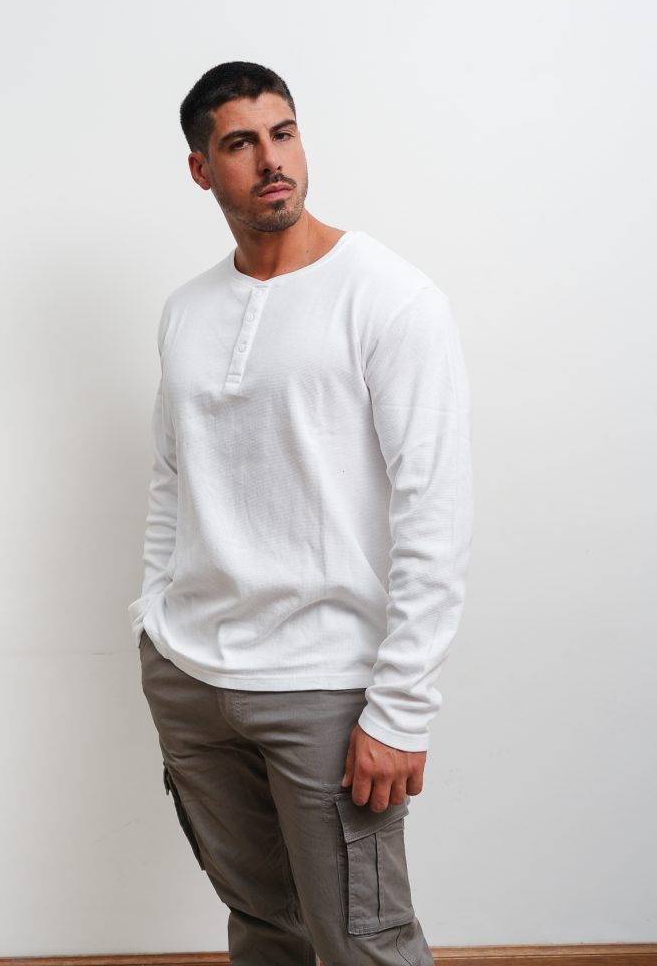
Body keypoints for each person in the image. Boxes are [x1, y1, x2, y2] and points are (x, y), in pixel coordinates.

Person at [129, 61, 473, 966]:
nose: (272, 160)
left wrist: (400, 709)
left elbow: (434, 514)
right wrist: (152, 621)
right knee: (261, 927)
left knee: (367, 944)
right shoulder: (186, 311)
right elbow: (172, 478)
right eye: (241, 143)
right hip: (190, 678)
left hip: (323, 685)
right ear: (201, 169)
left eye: (283, 134)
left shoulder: (390, 298)